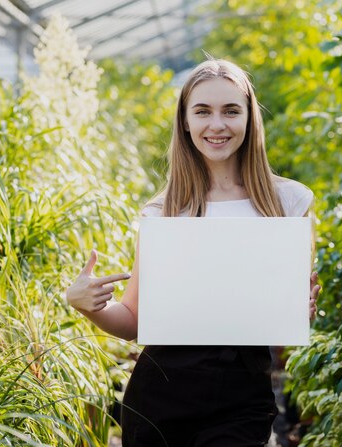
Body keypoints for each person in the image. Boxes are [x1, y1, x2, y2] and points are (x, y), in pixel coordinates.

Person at [65, 58, 321, 446]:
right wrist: (86, 304)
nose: (216, 125)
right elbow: (133, 322)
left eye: (231, 111)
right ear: (185, 121)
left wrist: (296, 313)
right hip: (159, 399)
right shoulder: (165, 210)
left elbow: (285, 317)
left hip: (242, 399)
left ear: (250, 118)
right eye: (202, 111)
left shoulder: (288, 202)